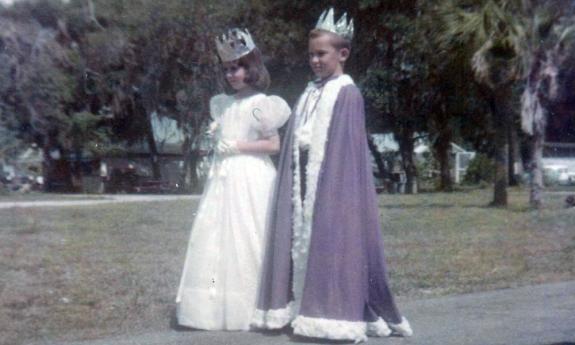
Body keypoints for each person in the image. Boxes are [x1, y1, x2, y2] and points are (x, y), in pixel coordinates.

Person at [251, 8, 412, 342]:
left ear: (343, 54)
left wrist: (331, 187)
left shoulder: (347, 92)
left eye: (321, 54)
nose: (315, 60)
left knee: (331, 242)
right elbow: (297, 137)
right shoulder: (309, 91)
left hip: (333, 182)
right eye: (311, 54)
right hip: (304, 179)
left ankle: (335, 314)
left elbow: (345, 149)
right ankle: (303, 310)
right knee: (302, 241)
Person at [175, 28, 291, 331]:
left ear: (251, 68)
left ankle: (254, 305)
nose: (232, 75)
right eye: (227, 69)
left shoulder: (261, 103)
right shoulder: (222, 104)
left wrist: (238, 146)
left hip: (251, 176)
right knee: (217, 237)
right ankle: (214, 308)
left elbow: (273, 145)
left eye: (237, 68)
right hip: (224, 178)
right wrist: (219, 146)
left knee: (248, 234)